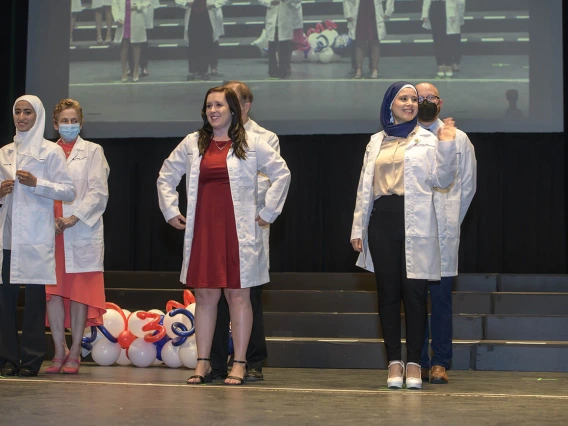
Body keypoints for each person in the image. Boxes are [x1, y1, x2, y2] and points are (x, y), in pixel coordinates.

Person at [157, 86, 290, 385]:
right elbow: (166, 175)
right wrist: (170, 209)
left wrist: (269, 212)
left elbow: (282, 173)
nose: (213, 111)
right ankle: (202, 363)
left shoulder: (253, 142)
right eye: (208, 106)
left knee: (238, 296)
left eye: (219, 105)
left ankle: (240, 363)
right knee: (205, 296)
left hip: (238, 229)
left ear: (233, 109)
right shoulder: (194, 142)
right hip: (204, 228)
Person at [350, 82, 457, 389]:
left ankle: (414, 363)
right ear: (390, 104)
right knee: (387, 294)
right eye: (404, 98)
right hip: (382, 219)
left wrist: (447, 145)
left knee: (413, 295)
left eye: (413, 99)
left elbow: (443, 179)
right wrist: (358, 227)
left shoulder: (428, 139)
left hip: (417, 220)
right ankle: (393, 362)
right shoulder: (375, 142)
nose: (410, 103)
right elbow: (364, 188)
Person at [0, 95, 76, 377]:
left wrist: (38, 183)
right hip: (7, 237)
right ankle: (7, 358)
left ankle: (31, 360)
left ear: (38, 116)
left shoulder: (50, 152)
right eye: (18, 112)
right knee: (5, 301)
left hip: (34, 235)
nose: (21, 117)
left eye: (28, 113)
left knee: (34, 302)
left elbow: (68, 190)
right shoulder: (4, 152)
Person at [210, 81, 280, 382]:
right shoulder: (209, 138)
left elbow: (266, 180)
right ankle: (215, 362)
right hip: (216, 227)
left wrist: (259, 210)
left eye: (230, 102)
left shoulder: (265, 138)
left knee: (248, 296)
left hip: (249, 225)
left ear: (245, 106)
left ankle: (252, 360)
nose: (221, 108)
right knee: (215, 293)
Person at [415, 82, 476, 384]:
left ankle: (439, 362)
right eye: (419, 97)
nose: (424, 101)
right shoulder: (404, 137)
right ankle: (418, 362)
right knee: (413, 300)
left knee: (440, 299)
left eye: (430, 97)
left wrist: (451, 220)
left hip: (443, 230)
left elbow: (467, 185)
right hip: (412, 231)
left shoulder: (460, 139)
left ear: (440, 103)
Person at [44, 99, 110, 375]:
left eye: (74, 121)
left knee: (80, 292)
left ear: (81, 124)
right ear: (55, 124)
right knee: (53, 293)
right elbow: (39, 190)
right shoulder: (45, 152)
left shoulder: (93, 151)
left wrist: (73, 218)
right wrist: (50, 221)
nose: (69, 126)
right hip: (50, 232)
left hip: (80, 228)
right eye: (64, 121)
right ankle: (58, 350)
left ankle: (75, 352)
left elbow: (99, 192)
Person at [176, 0, 227, 81]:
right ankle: (192, 71)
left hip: (207, 14)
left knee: (206, 44)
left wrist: (214, 4)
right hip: (192, 14)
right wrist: (186, 3)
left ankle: (204, 71)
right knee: (192, 44)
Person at [343, 0, 394, 79]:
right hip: (359, 9)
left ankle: (375, 69)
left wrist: (389, 10)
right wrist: (348, 12)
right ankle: (359, 69)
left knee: (375, 41)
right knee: (359, 41)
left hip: (374, 10)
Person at [258, 0, 302, 79]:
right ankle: (272, 71)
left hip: (285, 17)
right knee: (272, 46)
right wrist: (270, 2)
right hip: (272, 17)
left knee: (284, 46)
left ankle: (283, 70)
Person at [422, 0, 466, 77]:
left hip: (450, 8)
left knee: (448, 39)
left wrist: (460, 15)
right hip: (435, 7)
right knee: (437, 38)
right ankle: (440, 65)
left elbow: (461, 2)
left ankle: (448, 64)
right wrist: (425, 13)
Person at [112, 0, 151, 82]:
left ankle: (136, 71)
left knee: (136, 44)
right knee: (124, 45)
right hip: (123, 20)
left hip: (136, 17)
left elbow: (147, 2)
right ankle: (124, 71)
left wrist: (138, 6)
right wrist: (116, 18)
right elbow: (115, 4)